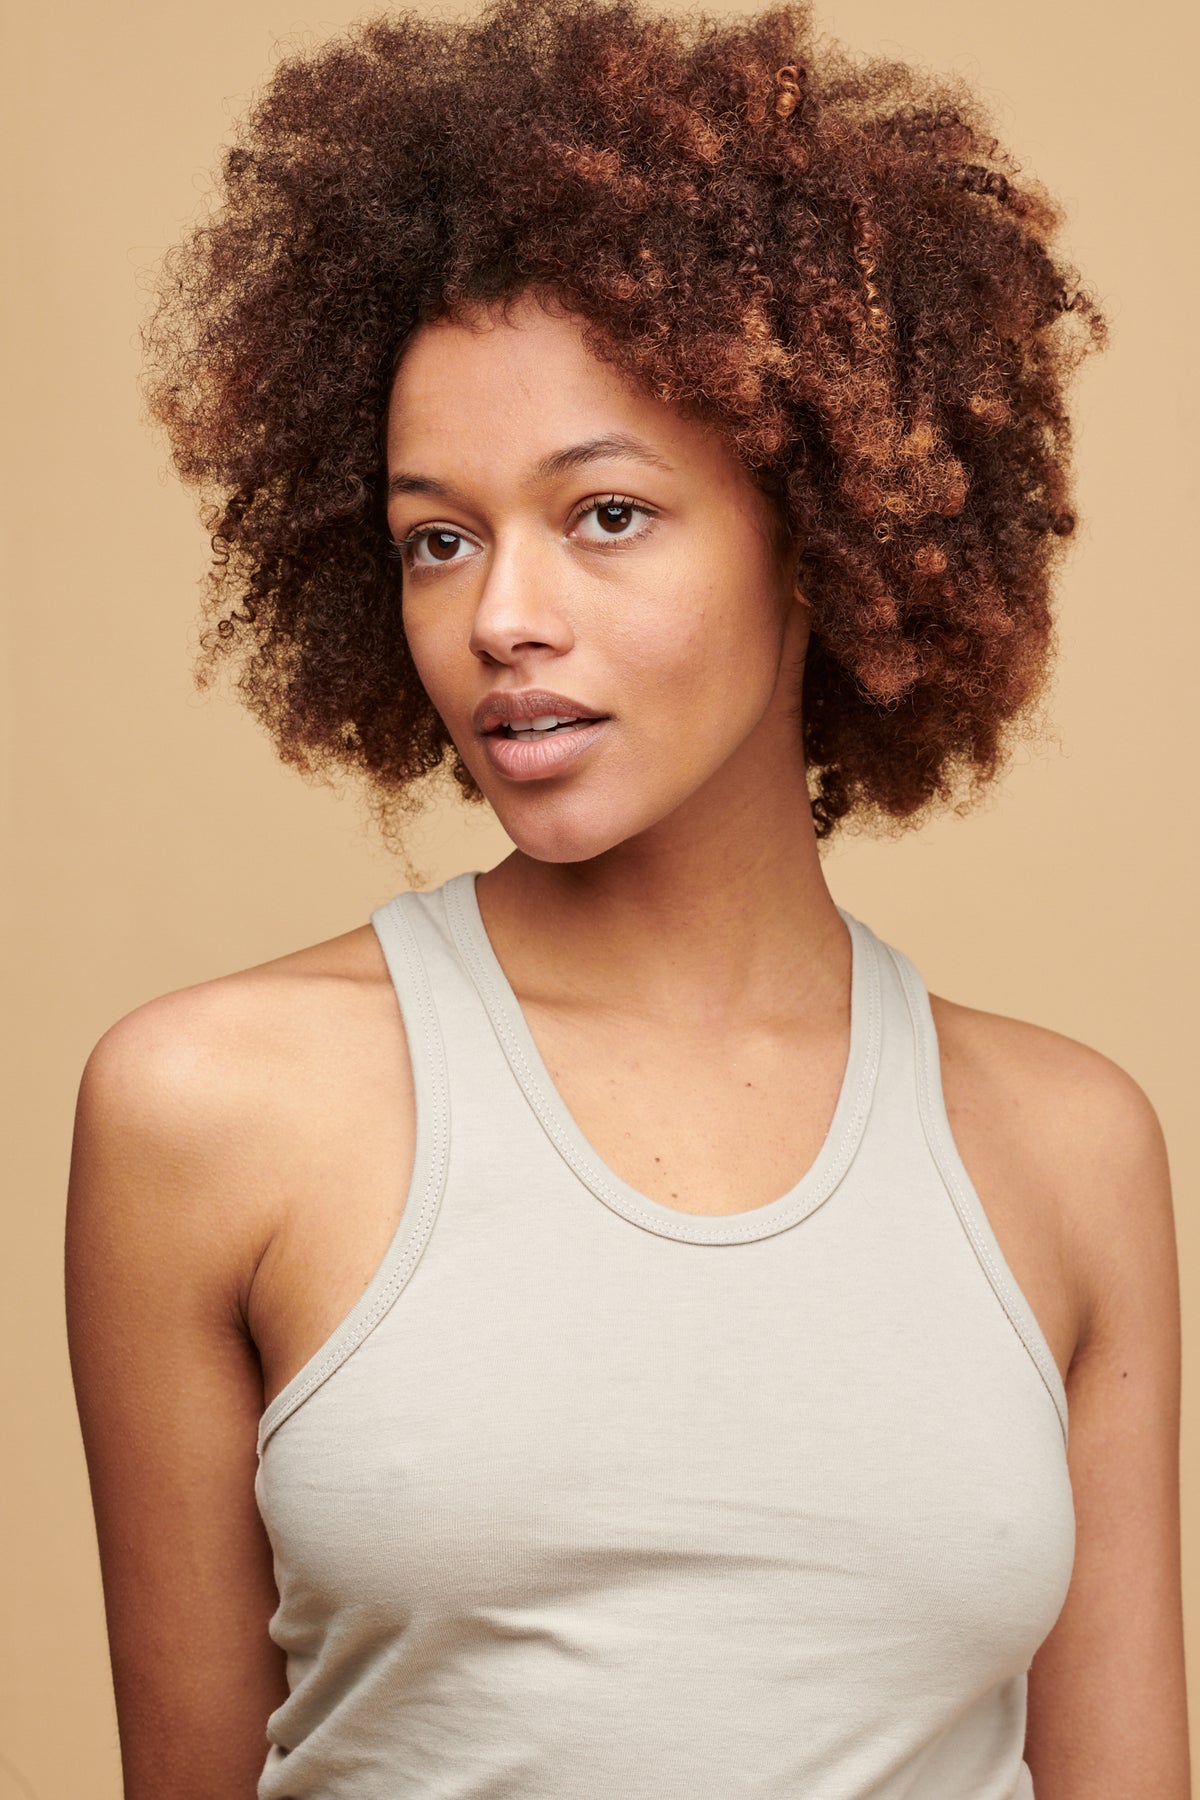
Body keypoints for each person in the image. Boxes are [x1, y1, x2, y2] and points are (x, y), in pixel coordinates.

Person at [64, 0, 1189, 1794]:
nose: (502, 613)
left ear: (818, 532)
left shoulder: (1068, 1153)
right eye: (440, 536)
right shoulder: (210, 1111)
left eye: (603, 514)